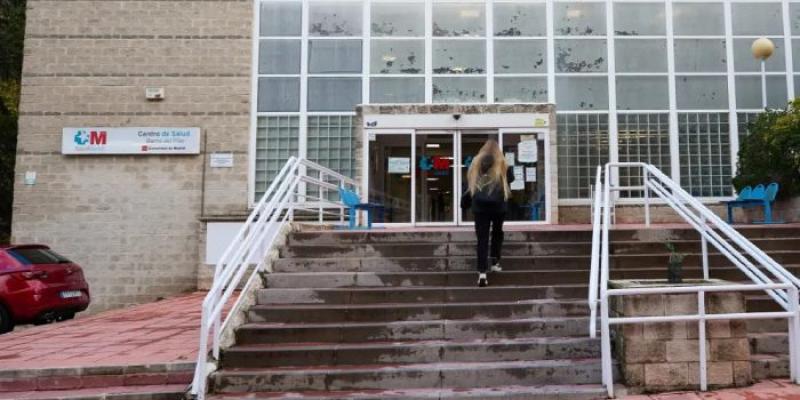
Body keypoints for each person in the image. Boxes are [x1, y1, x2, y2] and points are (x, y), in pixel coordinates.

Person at [460, 140, 514, 287]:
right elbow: (511, 180)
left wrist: (464, 203)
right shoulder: (503, 164)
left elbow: (468, 185)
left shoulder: (475, 164)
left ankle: (482, 273)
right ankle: (495, 262)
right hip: (498, 207)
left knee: (482, 239)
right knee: (497, 233)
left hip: (480, 207)